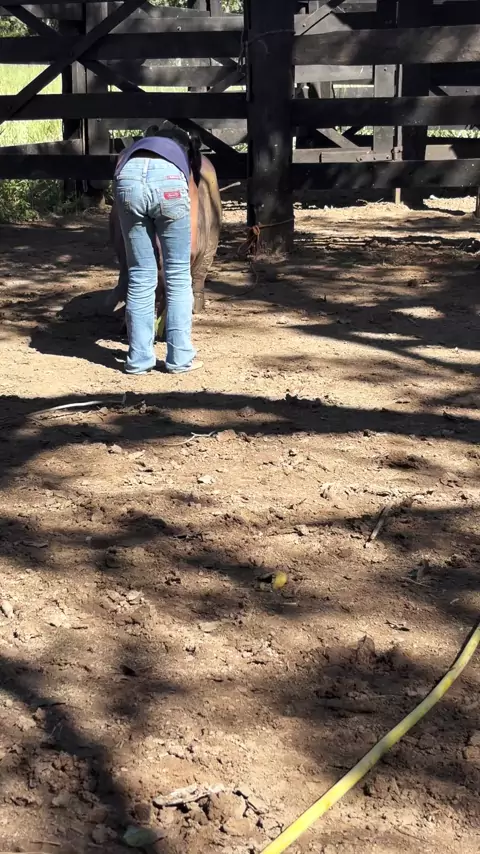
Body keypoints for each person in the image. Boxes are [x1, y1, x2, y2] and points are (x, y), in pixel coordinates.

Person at [113, 127, 202, 375]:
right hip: (169, 183)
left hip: (127, 179)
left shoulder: (137, 148)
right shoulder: (181, 156)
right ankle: (179, 358)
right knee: (178, 276)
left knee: (140, 275)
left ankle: (139, 360)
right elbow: (192, 240)